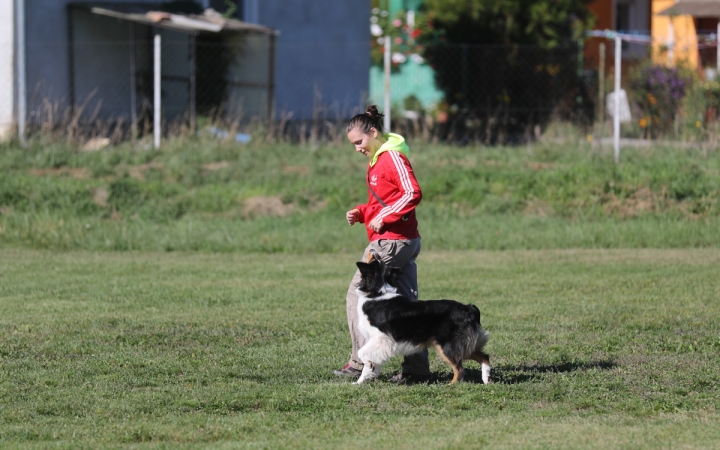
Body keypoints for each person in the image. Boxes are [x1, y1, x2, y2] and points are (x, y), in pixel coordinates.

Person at [333, 105, 430, 383]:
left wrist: (386, 216)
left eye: (359, 142)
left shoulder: (391, 157)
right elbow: (383, 200)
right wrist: (363, 212)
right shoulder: (378, 159)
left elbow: (413, 192)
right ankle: (417, 371)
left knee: (357, 295)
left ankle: (359, 363)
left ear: (373, 132)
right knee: (408, 304)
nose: (357, 149)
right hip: (399, 239)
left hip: (391, 243)